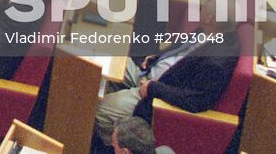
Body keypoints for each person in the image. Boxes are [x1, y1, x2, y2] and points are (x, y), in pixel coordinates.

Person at [92, 19, 237, 146]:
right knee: (102, 62)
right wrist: (156, 58)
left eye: (203, 9)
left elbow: (195, 100)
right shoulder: (207, 31)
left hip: (153, 96)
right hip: (147, 74)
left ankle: (113, 146)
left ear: (209, 18)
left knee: (98, 110)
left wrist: (154, 88)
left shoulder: (215, 63)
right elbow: (179, 53)